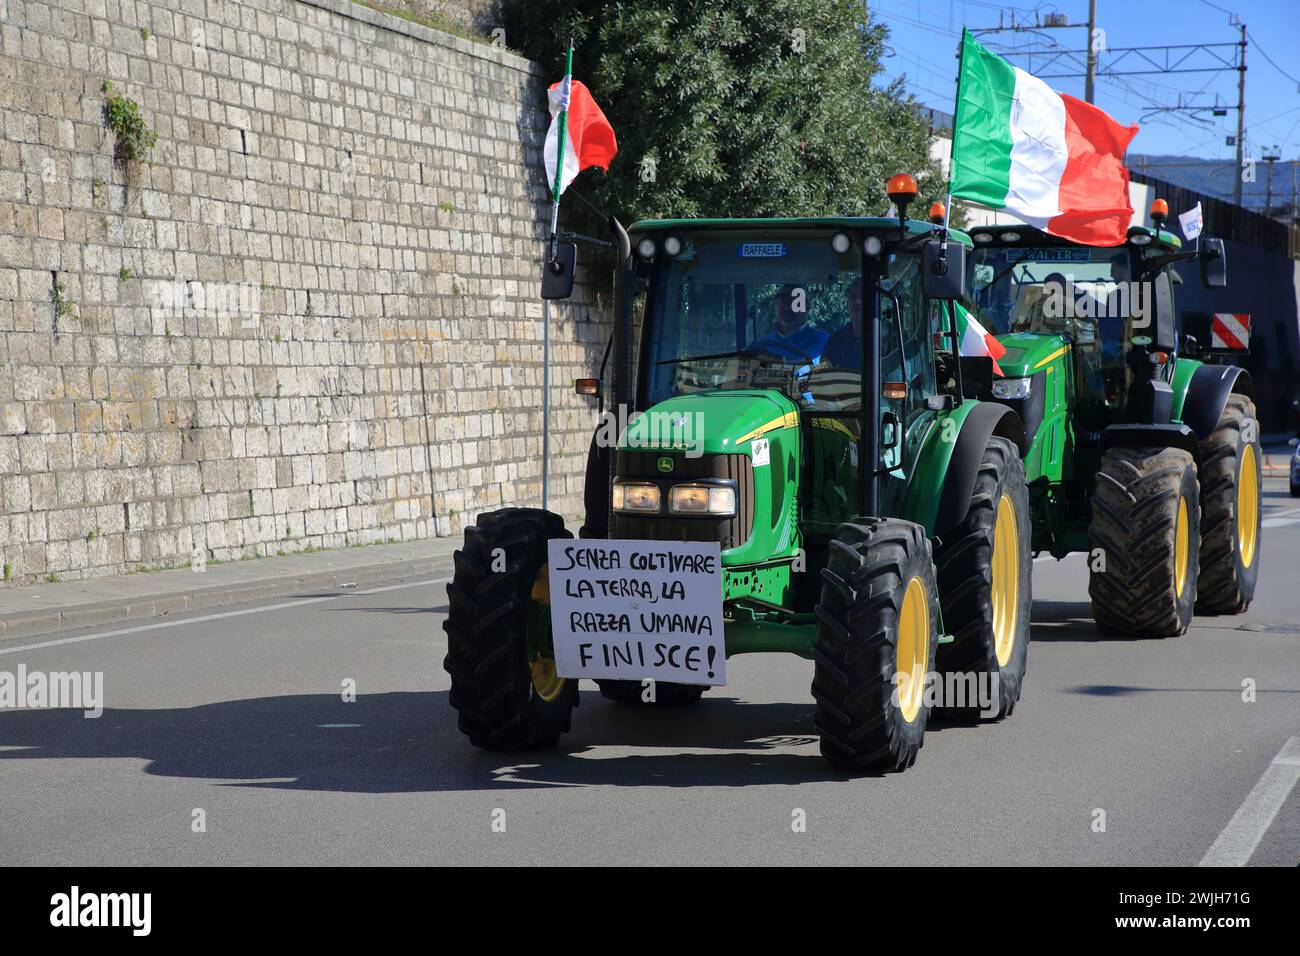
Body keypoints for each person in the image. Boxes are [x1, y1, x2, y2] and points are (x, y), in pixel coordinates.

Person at [752, 282, 828, 364]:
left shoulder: (820, 338)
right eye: (782, 302)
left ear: (807, 307)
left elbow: (806, 365)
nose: (787, 307)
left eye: (795, 303)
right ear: (775, 307)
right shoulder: (764, 343)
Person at [821, 277, 863, 368]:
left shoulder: (889, 336)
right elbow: (822, 376)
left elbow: (896, 377)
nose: (857, 302)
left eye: (863, 297)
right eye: (853, 297)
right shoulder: (836, 340)